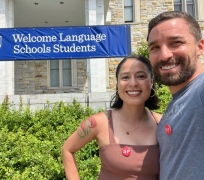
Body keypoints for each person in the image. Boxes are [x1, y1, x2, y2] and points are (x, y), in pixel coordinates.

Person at [62, 55, 162, 180]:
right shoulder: (99, 122)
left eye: (140, 76)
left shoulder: (162, 124)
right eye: (125, 77)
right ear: (117, 84)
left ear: (151, 81)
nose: (133, 83)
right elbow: (67, 149)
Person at [147, 11, 204, 180]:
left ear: (200, 47)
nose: (164, 55)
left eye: (176, 43)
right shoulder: (177, 102)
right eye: (155, 47)